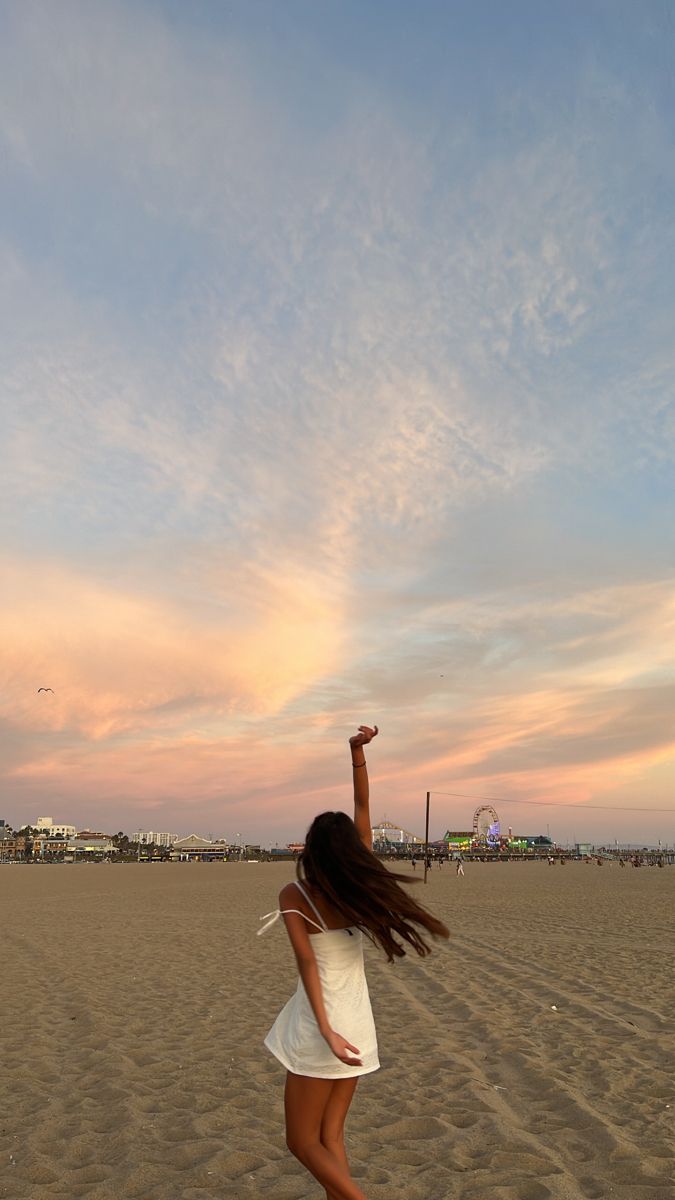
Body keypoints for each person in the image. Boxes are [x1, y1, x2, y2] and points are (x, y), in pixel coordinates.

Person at [259, 725, 449, 1200]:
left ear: (313, 849)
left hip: (321, 1027)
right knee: (331, 1138)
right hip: (359, 1024)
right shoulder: (356, 886)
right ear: (347, 849)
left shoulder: (296, 894)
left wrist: (323, 1031)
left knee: (301, 1141)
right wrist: (356, 754)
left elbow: (307, 964)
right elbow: (364, 809)